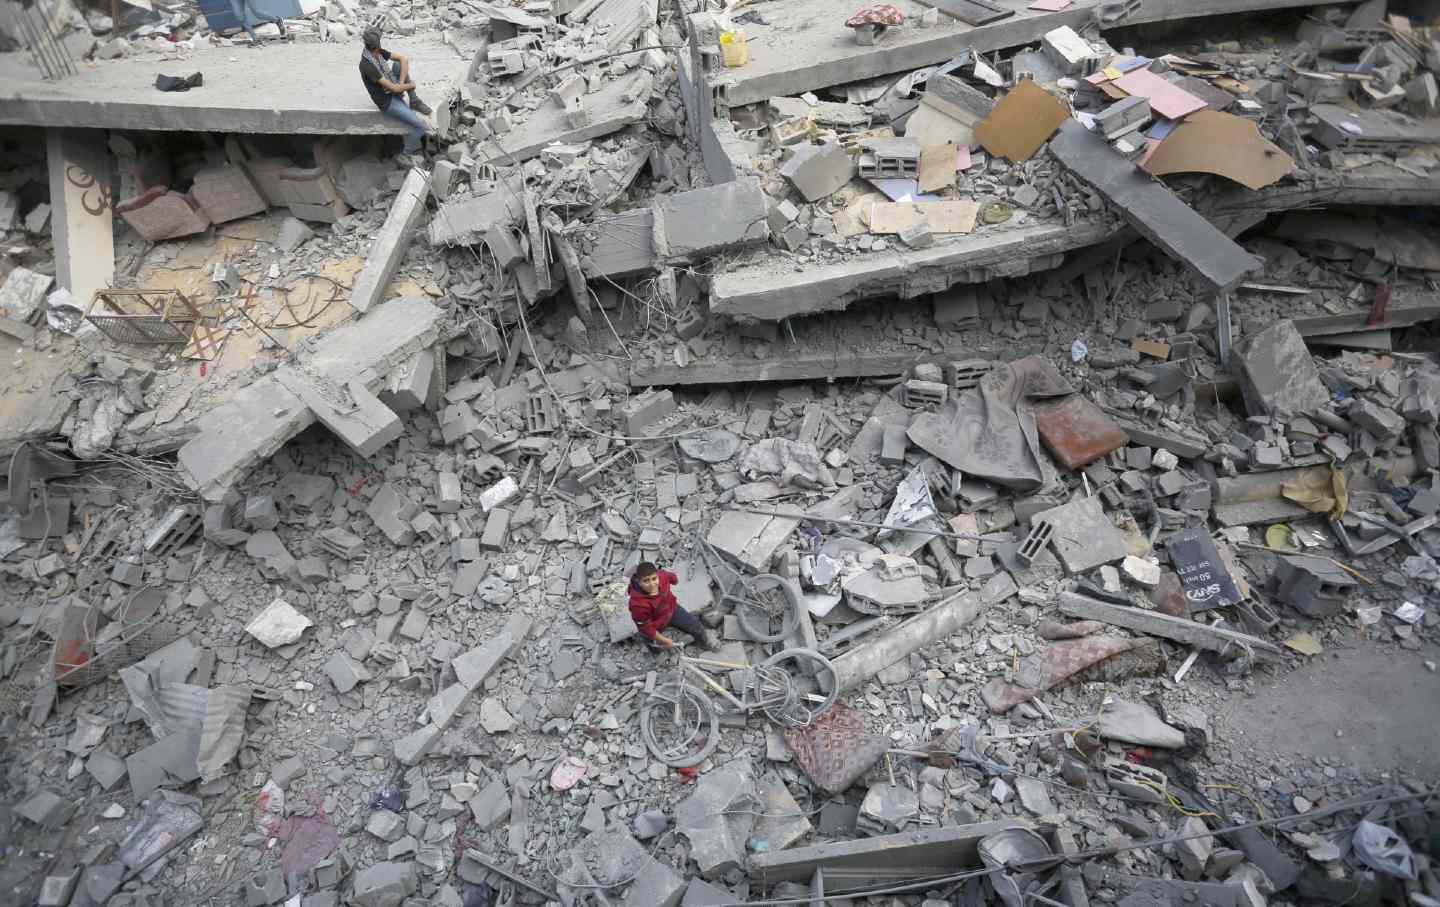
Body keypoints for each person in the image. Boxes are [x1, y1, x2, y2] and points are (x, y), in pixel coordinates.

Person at [359, 27, 433, 155]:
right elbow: (393, 88)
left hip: (393, 90)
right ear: (377, 44)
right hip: (386, 101)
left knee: (398, 65)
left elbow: (403, 59)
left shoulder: (378, 52)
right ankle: (405, 153)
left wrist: (401, 84)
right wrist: (409, 85)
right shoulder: (367, 65)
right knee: (421, 127)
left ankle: (414, 101)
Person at [627, 562, 716, 650]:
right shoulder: (638, 605)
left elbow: (674, 579)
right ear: (639, 582)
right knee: (652, 642)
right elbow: (647, 629)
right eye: (646, 581)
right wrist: (665, 641)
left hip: (671, 609)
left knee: (696, 627)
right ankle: (656, 652)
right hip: (655, 622)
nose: (652, 584)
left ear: (657, 575)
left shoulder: (663, 575)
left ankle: (704, 643)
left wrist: (672, 580)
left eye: (654, 579)